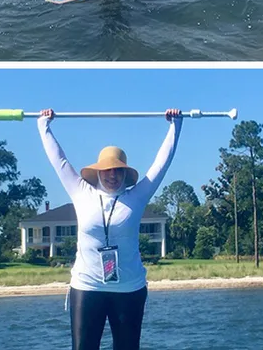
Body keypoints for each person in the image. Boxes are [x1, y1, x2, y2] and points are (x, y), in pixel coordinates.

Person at [39, 107, 182, 350]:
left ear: (125, 174)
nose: (112, 175)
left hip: (130, 288)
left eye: (117, 170)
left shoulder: (137, 196)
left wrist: (175, 126)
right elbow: (59, 160)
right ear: (98, 172)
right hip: (87, 286)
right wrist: (44, 126)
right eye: (107, 170)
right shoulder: (80, 191)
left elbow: (161, 164)